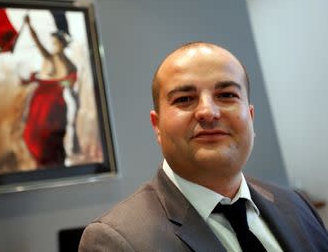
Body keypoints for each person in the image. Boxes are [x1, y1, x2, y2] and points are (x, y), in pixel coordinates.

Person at [79, 42, 328, 251]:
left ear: (250, 117)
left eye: (227, 95)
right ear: (157, 126)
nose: (208, 112)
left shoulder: (296, 204)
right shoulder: (115, 241)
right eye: (185, 99)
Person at [21, 15, 79, 168]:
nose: (53, 45)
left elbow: (72, 82)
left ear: (62, 44)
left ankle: (54, 165)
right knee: (32, 136)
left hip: (53, 105)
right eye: (53, 42)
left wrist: (58, 82)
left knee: (50, 139)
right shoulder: (49, 58)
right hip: (40, 103)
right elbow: (37, 41)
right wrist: (28, 25)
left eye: (56, 42)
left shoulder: (69, 65)